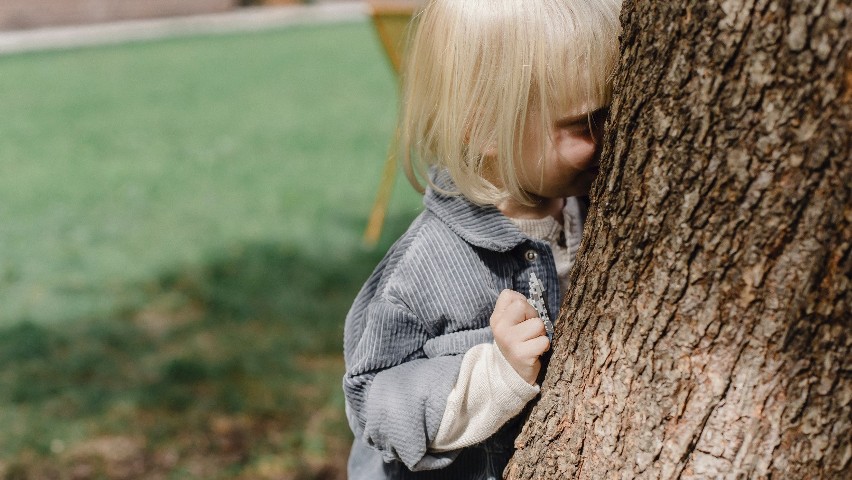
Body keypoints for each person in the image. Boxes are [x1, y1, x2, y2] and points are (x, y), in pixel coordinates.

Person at [343, 0, 622, 477]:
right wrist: (495, 373)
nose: (614, 134)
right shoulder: (426, 266)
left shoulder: (589, 204)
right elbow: (372, 399)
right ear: (486, 127)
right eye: (586, 124)